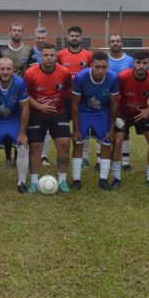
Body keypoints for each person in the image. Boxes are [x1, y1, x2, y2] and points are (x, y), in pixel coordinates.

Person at [24, 43, 72, 192]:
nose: (49, 58)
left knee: (64, 144)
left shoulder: (64, 72)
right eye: (46, 55)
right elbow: (25, 95)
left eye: (52, 55)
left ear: (56, 57)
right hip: (36, 114)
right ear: (41, 56)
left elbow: (67, 92)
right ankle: (33, 181)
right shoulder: (30, 73)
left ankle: (62, 180)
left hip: (58, 113)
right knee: (35, 147)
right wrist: (40, 107)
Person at [70, 51, 119, 190]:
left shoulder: (113, 78)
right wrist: (76, 129)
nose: (100, 70)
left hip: (102, 112)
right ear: (91, 65)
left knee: (106, 142)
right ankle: (76, 180)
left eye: (104, 67)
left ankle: (103, 179)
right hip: (84, 111)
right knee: (78, 143)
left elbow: (114, 105)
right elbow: (74, 104)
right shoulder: (81, 77)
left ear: (108, 66)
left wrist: (112, 129)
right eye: (97, 67)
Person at [0, 57, 31, 192]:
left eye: (8, 69)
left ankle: (21, 182)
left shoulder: (20, 83)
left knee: (22, 146)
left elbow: (25, 107)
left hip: (14, 119)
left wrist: (22, 133)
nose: (5, 72)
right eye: (2, 69)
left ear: (13, 70)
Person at [113, 50, 149, 187]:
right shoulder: (122, 77)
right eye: (138, 62)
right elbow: (113, 96)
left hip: (142, 113)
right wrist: (116, 116)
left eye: (144, 63)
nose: (141, 66)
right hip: (123, 113)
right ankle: (116, 178)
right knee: (117, 142)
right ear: (133, 63)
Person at [0, 22, 31, 167]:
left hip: (21, 91)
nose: (16, 33)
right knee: (6, 120)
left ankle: (17, 156)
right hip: (5, 91)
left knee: (19, 122)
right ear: (9, 32)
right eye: (14, 30)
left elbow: (31, 71)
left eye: (19, 30)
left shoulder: (28, 50)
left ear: (22, 33)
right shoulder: (2, 50)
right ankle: (8, 157)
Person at [58, 26, 93, 167]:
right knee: (63, 128)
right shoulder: (60, 55)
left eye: (77, 36)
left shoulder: (88, 55)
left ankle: (84, 157)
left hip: (83, 99)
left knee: (83, 128)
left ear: (81, 38)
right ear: (68, 37)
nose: (74, 38)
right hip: (66, 98)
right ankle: (63, 155)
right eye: (72, 35)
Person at [105, 34, 135, 171]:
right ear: (109, 44)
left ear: (122, 43)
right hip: (106, 100)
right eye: (112, 41)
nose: (115, 43)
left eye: (117, 41)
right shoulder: (104, 59)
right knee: (104, 130)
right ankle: (100, 160)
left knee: (124, 130)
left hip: (124, 102)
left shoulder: (130, 60)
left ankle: (126, 162)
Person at [25, 26, 51, 166]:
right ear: (34, 38)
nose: (41, 40)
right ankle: (30, 154)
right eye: (38, 38)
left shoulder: (51, 53)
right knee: (29, 125)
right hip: (31, 94)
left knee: (46, 128)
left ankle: (44, 156)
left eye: (43, 38)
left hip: (48, 94)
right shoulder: (28, 52)